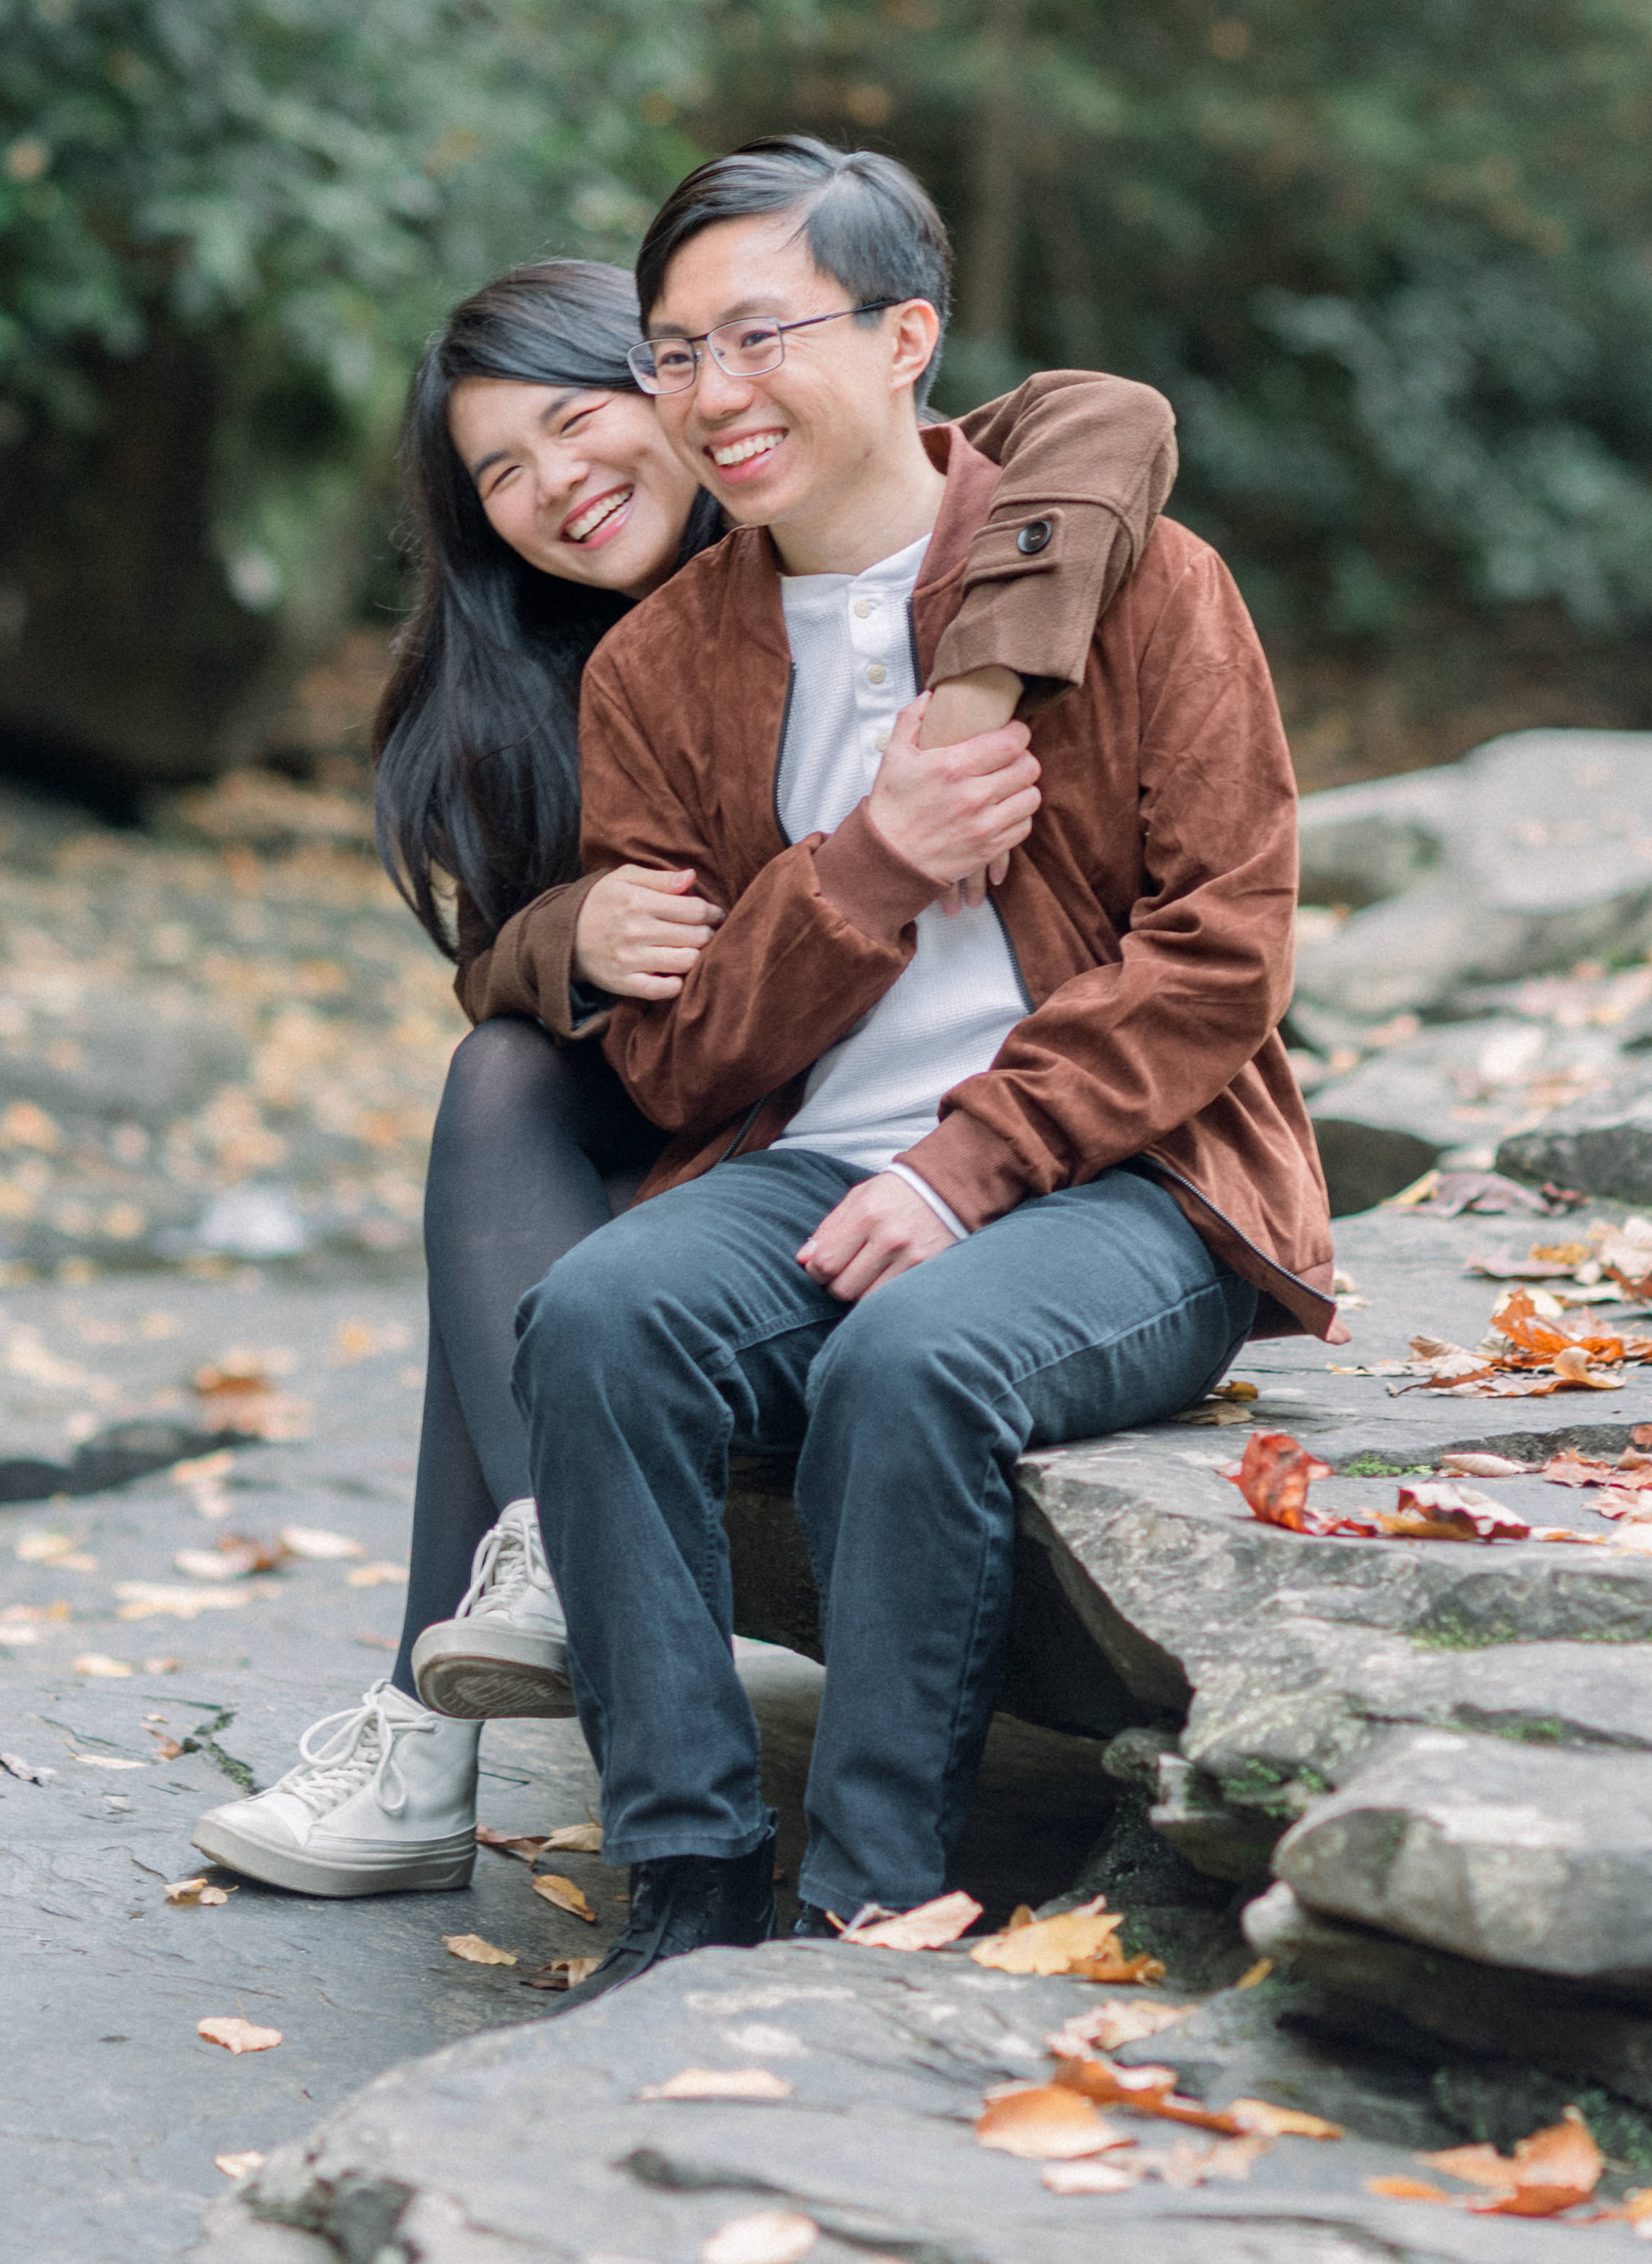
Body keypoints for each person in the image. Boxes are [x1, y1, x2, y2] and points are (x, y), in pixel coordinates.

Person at [188, 256, 1180, 1897]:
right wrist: (565, 932)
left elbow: (1106, 415)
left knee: (516, 1172)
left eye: (582, 424)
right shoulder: (530, 682)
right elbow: (495, 969)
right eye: (497, 474)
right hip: (715, 1117)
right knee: (501, 1075)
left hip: (907, 1123)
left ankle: (446, 1686)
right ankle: (504, 1641)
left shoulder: (850, 510)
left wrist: (979, 687)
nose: (553, 490)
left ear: (679, 382)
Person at [508, 138, 1332, 1997]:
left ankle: (864, 1912)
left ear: (905, 338)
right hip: (807, 1167)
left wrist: (965, 1167)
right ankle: (692, 1880)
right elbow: (676, 1056)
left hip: (1129, 1182)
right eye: (671, 355)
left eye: (757, 337)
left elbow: (1224, 954)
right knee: (599, 1319)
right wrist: (860, 871)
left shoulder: (1142, 585)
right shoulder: (655, 667)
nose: (711, 399)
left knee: (910, 1359)